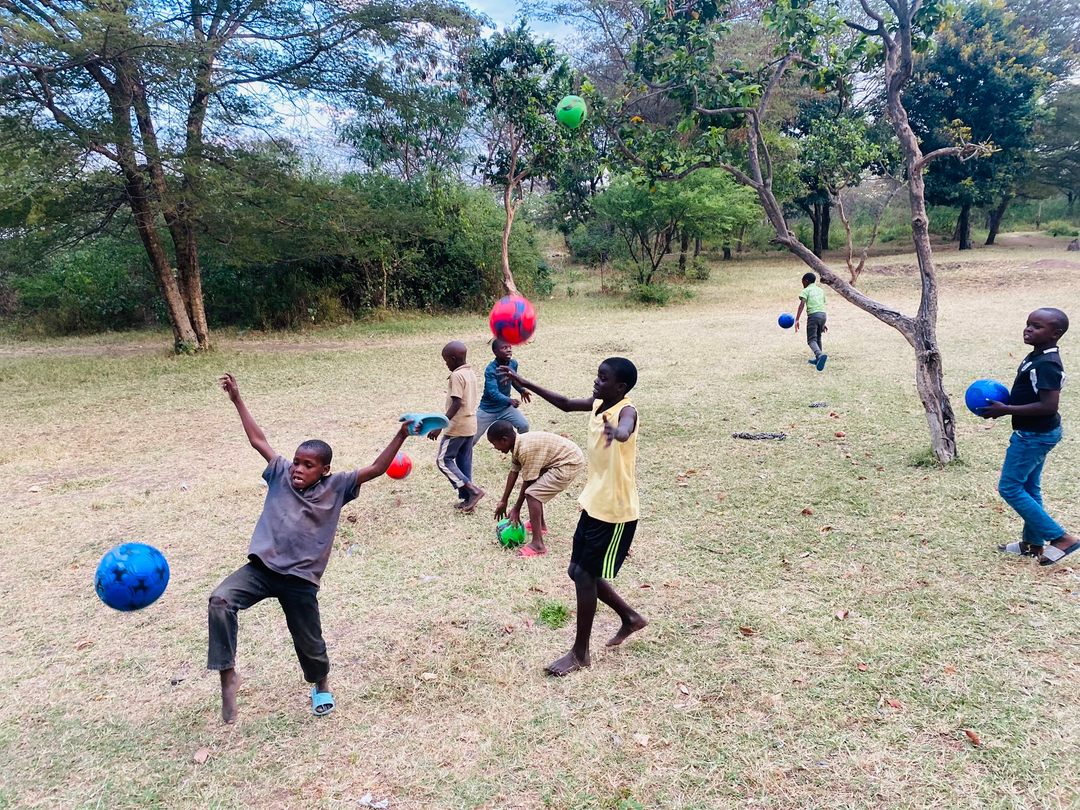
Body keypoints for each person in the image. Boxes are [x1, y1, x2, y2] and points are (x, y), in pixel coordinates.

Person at [208, 373, 412, 723]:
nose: (298, 469)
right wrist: (237, 399)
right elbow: (258, 440)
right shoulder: (279, 472)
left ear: (324, 470)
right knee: (220, 601)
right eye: (297, 462)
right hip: (261, 570)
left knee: (309, 642)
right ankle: (228, 675)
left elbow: (378, 468)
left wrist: (402, 433)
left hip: (300, 580)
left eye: (308, 465)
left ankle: (321, 684)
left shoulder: (337, 486)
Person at [500, 357, 648, 675]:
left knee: (584, 574)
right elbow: (566, 404)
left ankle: (581, 653)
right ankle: (630, 617)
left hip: (615, 510)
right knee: (577, 571)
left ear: (620, 387)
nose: (597, 381)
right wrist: (524, 382)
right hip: (594, 501)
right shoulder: (597, 404)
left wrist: (618, 433)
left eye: (603, 378)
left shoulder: (626, 411)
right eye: (598, 375)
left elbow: (626, 428)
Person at [983, 308, 1078, 566]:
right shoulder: (1037, 355)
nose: (1028, 329)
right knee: (1028, 487)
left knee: (1010, 487)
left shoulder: (1048, 364)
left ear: (1055, 334)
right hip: (1037, 432)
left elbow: (1049, 406)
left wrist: (1006, 409)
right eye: (1028, 324)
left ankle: (1061, 538)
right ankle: (1033, 544)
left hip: (1034, 436)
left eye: (1037, 327)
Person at [487, 421, 585, 557]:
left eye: (494, 444)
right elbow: (514, 472)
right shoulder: (517, 444)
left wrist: (516, 508)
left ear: (504, 440)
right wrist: (503, 501)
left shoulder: (526, 449)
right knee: (534, 491)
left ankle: (538, 545)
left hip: (568, 463)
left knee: (532, 494)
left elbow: (528, 481)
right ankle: (540, 526)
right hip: (560, 459)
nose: (495, 448)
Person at [430, 340, 484, 512]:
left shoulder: (457, 375)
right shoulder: (470, 373)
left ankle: (473, 491)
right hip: (470, 424)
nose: (446, 364)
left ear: (453, 359)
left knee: (443, 460)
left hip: (457, 426)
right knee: (463, 461)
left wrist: (440, 424)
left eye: (446, 361)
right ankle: (468, 499)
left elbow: (456, 403)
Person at [473, 338, 531, 447]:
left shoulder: (513, 364)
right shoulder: (491, 369)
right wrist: (509, 400)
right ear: (495, 352)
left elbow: (513, 380)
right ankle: (460, 456)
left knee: (524, 426)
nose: (509, 350)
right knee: (472, 439)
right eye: (504, 348)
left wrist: (522, 390)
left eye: (510, 347)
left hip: (505, 408)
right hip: (487, 410)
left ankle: (520, 451)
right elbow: (493, 393)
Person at [795, 272, 828, 371]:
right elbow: (822, 304)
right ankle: (819, 359)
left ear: (806, 281)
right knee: (818, 337)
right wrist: (823, 323)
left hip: (813, 316)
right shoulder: (820, 290)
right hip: (823, 315)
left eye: (802, 282)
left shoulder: (806, 291)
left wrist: (797, 319)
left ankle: (819, 355)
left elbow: (802, 305)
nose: (802, 284)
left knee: (811, 340)